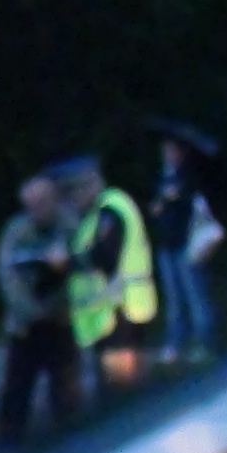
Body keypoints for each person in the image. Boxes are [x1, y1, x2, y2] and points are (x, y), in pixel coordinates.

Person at [54, 154, 158, 403]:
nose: (72, 201)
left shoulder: (111, 210)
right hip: (110, 314)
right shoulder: (95, 215)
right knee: (115, 389)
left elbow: (105, 257)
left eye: (74, 193)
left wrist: (67, 262)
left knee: (123, 392)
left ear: (89, 185)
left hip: (122, 309)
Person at [0, 175, 80, 446]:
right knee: (17, 386)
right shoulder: (16, 232)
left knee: (65, 384)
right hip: (26, 324)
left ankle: (69, 437)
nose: (37, 210)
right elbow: (8, 278)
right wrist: (32, 311)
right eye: (31, 205)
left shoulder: (71, 227)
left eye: (42, 203)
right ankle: (9, 440)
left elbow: (80, 270)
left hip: (61, 319)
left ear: (54, 200)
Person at [148, 127, 227, 364]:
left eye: (172, 151)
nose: (168, 155)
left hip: (186, 242)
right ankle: (177, 344)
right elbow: (156, 206)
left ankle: (206, 340)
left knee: (196, 294)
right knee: (174, 298)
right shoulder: (162, 177)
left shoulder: (189, 176)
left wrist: (176, 197)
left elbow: (192, 201)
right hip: (167, 244)